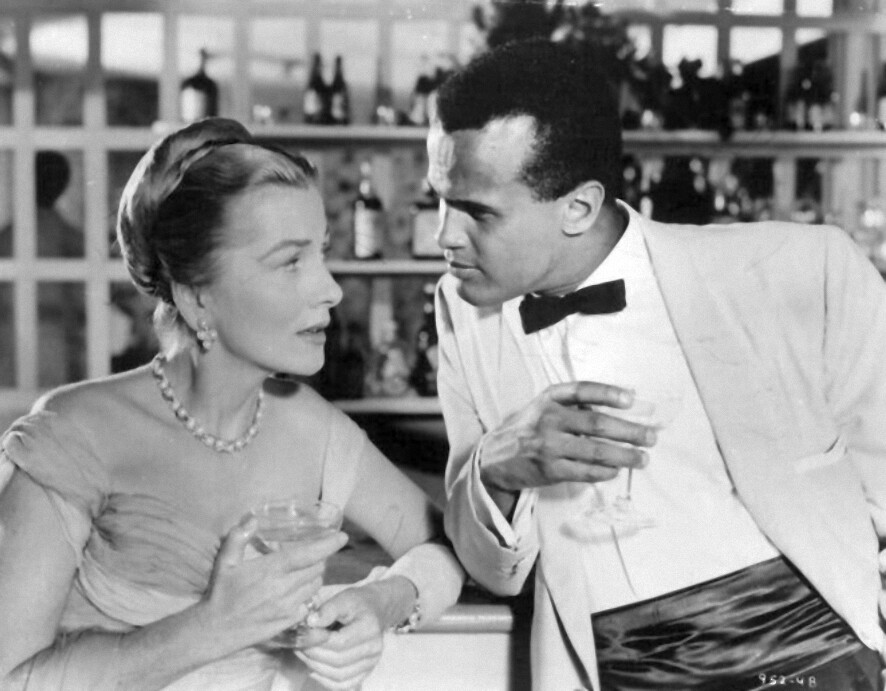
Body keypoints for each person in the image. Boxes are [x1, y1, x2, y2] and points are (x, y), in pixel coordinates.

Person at [431, 38, 886, 690]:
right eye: (440, 199)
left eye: (477, 211)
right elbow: (495, 570)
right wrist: (497, 469)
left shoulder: (801, 269)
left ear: (579, 207)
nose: (443, 236)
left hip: (813, 655)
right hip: (618, 671)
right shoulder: (462, 309)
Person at [0, 117, 463, 690]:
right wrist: (213, 627)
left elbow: (445, 548)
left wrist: (383, 601)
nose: (331, 289)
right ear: (198, 296)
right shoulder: (75, 433)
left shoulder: (315, 431)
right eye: (290, 261)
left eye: (320, 254)